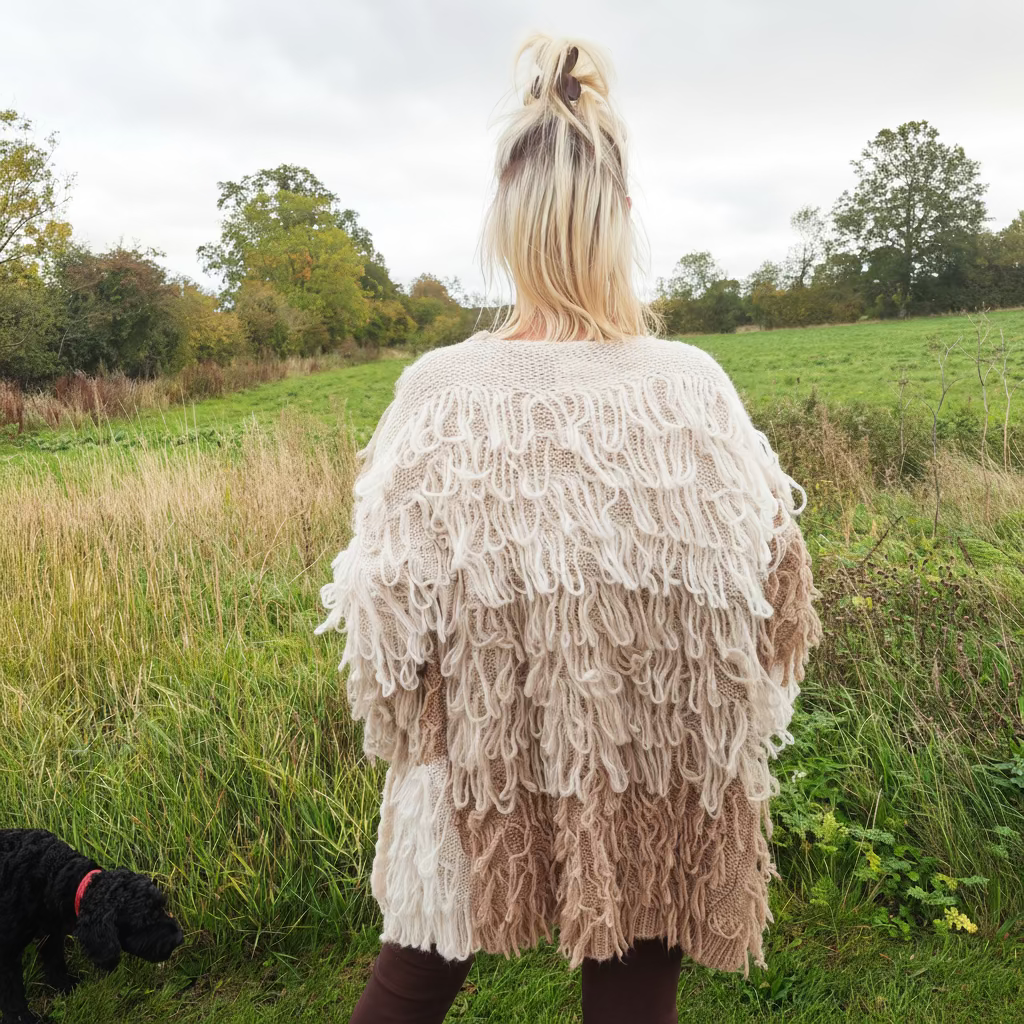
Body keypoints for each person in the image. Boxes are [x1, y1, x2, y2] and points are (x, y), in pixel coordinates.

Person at [316, 33, 822, 1024]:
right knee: (633, 986)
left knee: (415, 974)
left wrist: (413, 718)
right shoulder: (695, 387)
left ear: (505, 223)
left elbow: (383, 620)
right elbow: (776, 581)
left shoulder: (440, 391)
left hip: (476, 760)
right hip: (659, 758)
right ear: (620, 219)